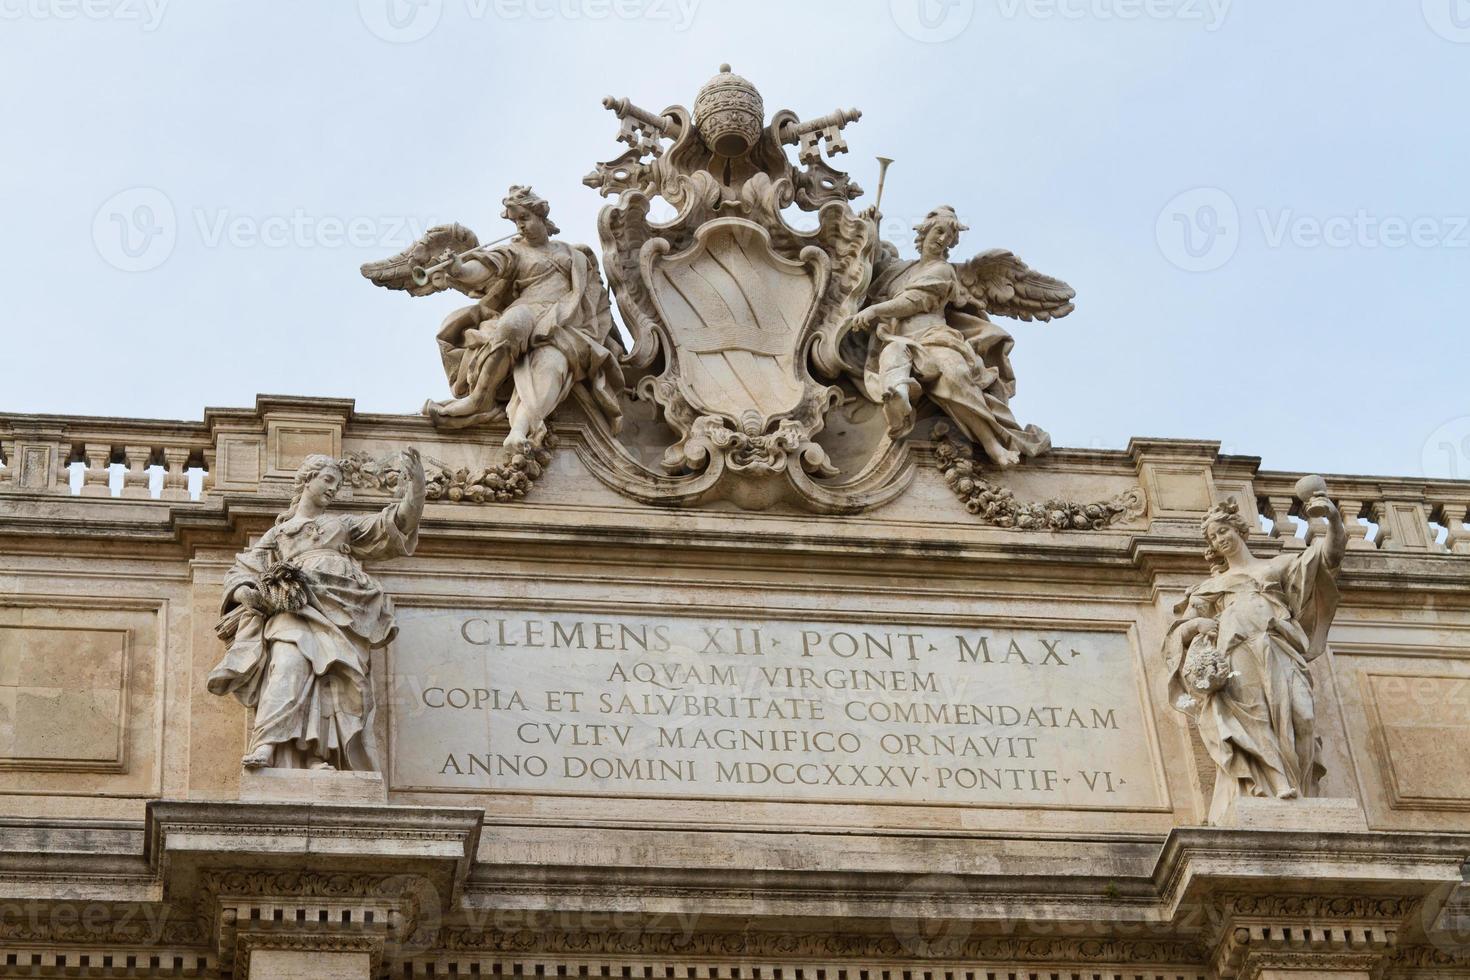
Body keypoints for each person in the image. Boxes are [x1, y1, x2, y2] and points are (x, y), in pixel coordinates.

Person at [207, 449, 425, 771]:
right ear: (307, 479)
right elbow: (242, 571)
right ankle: (267, 746)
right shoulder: (279, 533)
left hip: (342, 609)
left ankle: (316, 756)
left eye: (337, 485)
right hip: (294, 607)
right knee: (287, 665)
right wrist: (247, 594)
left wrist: (416, 489)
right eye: (328, 480)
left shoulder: (343, 526)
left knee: (331, 680)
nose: (332, 490)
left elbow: (394, 523)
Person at [1164, 492, 1345, 823]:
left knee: (1302, 715)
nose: (1221, 540)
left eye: (1224, 531)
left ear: (1238, 529)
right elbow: (1178, 635)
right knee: (1255, 716)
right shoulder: (1209, 587)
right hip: (1235, 655)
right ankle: (1275, 784)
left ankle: (1301, 786)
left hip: (1279, 648)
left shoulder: (1274, 567)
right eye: (1214, 537)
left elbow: (1329, 557)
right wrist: (1198, 624)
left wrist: (1332, 518)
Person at [845, 206, 1049, 466]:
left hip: (935, 337)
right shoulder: (899, 269)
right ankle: (898, 401)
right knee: (892, 357)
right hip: (898, 338)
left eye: (949, 238)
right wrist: (872, 227)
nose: (942, 239)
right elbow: (869, 268)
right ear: (925, 231)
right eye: (939, 231)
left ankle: (992, 443)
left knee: (955, 376)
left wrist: (876, 310)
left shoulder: (943, 271)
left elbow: (915, 300)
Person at [425, 185, 625, 449]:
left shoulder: (573, 254)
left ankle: (519, 431)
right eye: (516, 221)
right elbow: (485, 268)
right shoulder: (515, 251)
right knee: (512, 324)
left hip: (564, 321)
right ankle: (480, 398)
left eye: (524, 218)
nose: (520, 226)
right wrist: (460, 269)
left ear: (541, 215)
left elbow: (595, 301)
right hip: (528, 308)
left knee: (552, 367)